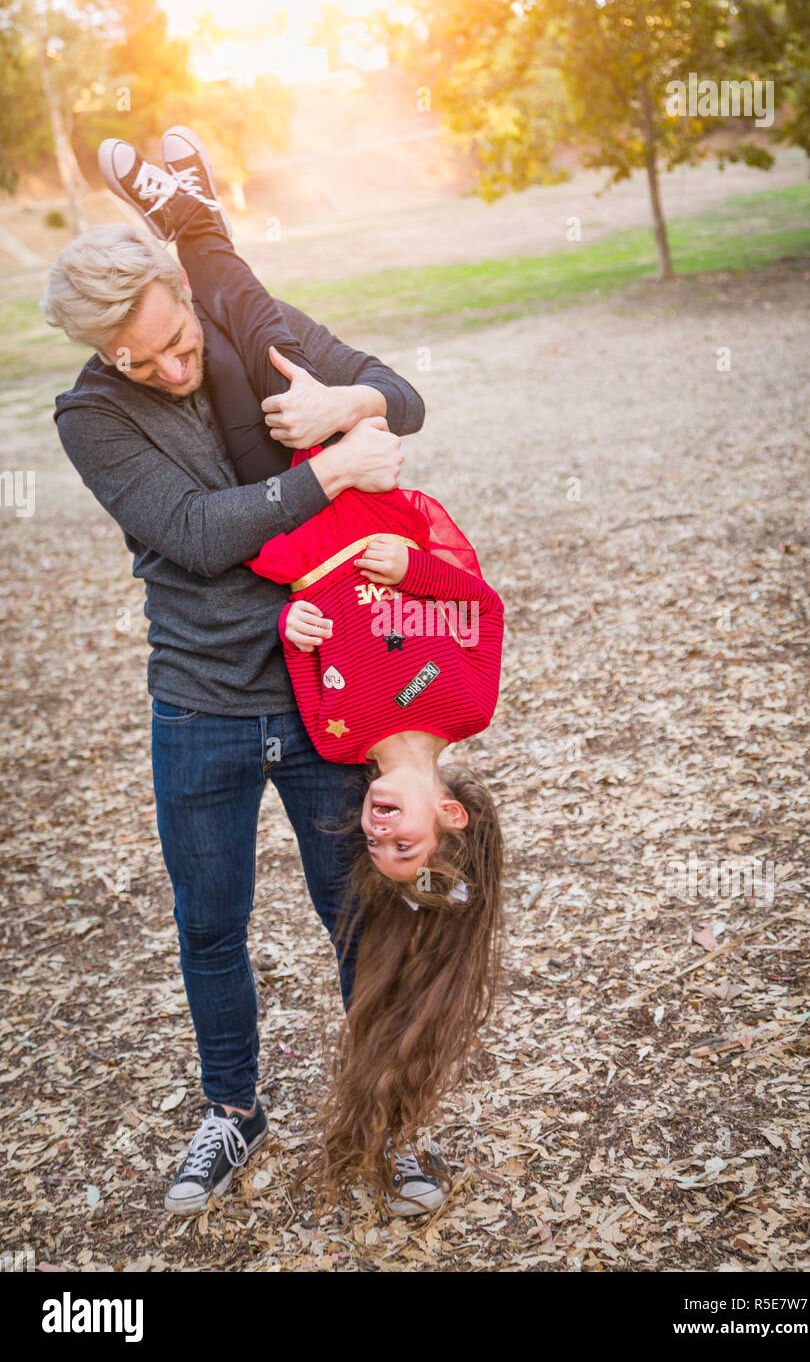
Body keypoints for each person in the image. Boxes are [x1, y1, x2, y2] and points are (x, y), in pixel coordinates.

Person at [92, 128, 507, 1214]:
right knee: (208, 920)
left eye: (180, 335)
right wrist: (340, 470)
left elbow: (402, 397)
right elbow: (193, 532)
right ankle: (233, 1109)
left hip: (305, 675)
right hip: (199, 701)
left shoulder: (231, 324)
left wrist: (348, 410)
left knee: (356, 916)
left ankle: (386, 1121)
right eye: (150, 359)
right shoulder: (90, 410)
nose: (174, 367)